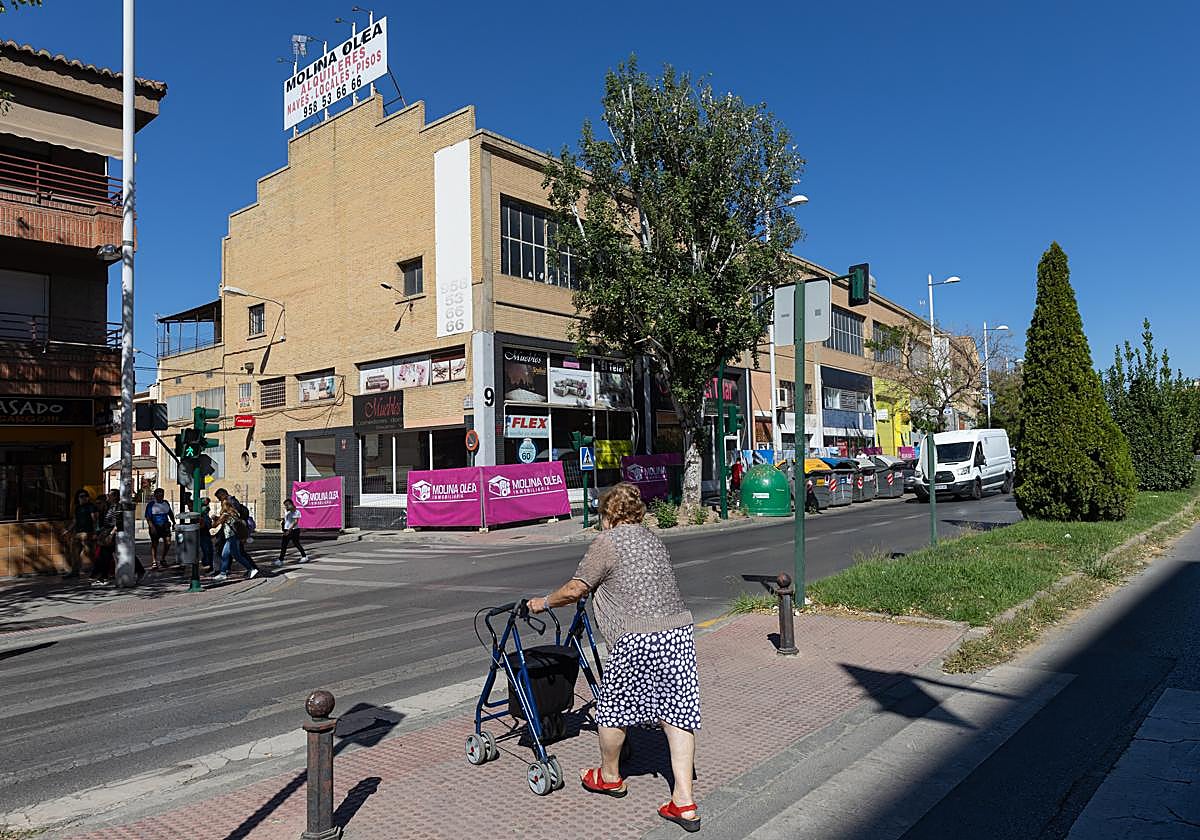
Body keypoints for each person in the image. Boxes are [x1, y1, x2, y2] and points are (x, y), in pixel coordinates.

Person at [529, 482, 701, 833]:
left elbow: (577, 588)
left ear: (608, 515)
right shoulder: (653, 539)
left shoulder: (607, 542)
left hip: (636, 635)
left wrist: (542, 602)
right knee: (678, 712)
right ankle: (684, 800)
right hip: (678, 631)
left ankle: (609, 776)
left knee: (613, 708)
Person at [95, 489, 145, 584]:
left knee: (109, 554)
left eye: (110, 495)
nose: (107, 497)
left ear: (115, 497)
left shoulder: (117, 507)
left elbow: (117, 522)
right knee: (108, 555)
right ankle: (103, 576)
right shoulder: (110, 507)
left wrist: (111, 534)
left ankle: (104, 577)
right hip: (107, 533)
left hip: (113, 535)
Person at [209, 498, 259, 582]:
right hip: (233, 537)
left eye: (222, 505)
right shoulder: (234, 513)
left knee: (236, 556)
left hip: (231, 538)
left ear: (225, 506)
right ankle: (223, 573)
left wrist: (214, 518)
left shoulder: (225, 514)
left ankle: (251, 569)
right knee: (226, 555)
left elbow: (215, 524)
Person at [63, 489, 99, 579]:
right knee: (74, 553)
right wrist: (68, 530)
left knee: (90, 553)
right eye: (81, 496)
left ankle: (97, 571)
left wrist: (95, 532)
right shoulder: (77, 508)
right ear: (78, 498)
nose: (83, 498)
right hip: (77, 533)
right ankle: (75, 571)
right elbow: (75, 521)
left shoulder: (91, 507)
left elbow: (95, 520)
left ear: (88, 497)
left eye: (85, 496)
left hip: (87, 533)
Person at [144, 488, 175, 571]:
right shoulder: (151, 504)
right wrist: (152, 527)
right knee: (155, 544)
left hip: (165, 525)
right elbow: (148, 517)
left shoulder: (166, 503)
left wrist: (174, 522)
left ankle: (163, 559)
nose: (160, 496)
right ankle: (154, 561)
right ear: (155, 495)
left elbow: (170, 513)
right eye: (158, 495)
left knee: (168, 542)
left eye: (162, 494)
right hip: (155, 525)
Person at [275, 498, 309, 567]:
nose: (286, 507)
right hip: (287, 529)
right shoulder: (288, 512)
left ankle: (280, 560)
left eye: (287, 505)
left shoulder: (296, 512)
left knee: (285, 545)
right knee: (295, 544)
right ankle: (304, 556)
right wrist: (281, 519)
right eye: (285, 505)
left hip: (293, 530)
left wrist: (288, 531)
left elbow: (295, 522)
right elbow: (287, 519)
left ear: (291, 504)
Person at [197, 497, 215, 571]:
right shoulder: (200, 510)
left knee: (209, 549)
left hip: (207, 532)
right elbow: (201, 523)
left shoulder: (204, 512)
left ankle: (208, 563)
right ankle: (207, 563)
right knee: (206, 549)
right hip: (203, 532)